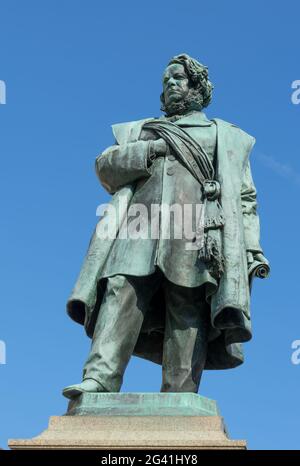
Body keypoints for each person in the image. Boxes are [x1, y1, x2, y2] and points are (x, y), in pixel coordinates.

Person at [63, 54, 269, 399]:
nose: (171, 85)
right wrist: (151, 149)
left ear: (197, 87)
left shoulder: (227, 136)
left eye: (179, 79)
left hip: (196, 232)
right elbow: (105, 168)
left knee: (188, 304)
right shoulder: (140, 130)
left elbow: (246, 198)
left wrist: (251, 248)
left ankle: (179, 393)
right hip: (138, 228)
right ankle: (99, 380)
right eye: (166, 81)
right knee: (119, 291)